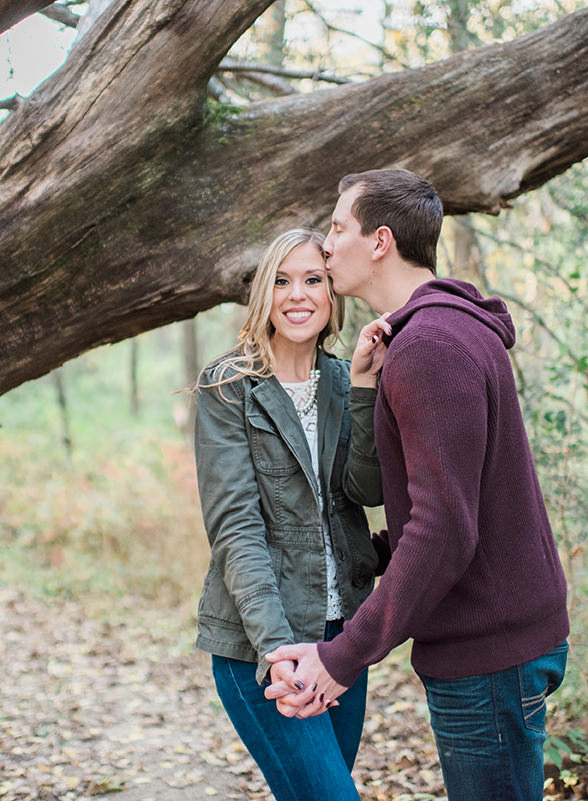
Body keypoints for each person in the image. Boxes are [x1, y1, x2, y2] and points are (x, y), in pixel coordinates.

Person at [264, 169, 570, 801]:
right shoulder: (437, 333)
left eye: (339, 228)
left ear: (380, 241)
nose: (326, 245)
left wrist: (342, 658)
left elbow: (443, 530)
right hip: (496, 641)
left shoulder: (429, 345)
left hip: (487, 653)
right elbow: (445, 505)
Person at [193, 227, 391, 801]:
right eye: (281, 280)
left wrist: (361, 387)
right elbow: (236, 530)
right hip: (261, 644)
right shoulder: (229, 386)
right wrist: (277, 650)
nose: (297, 294)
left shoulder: (341, 379)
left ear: (333, 293)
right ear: (263, 295)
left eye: (313, 279)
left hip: (340, 641)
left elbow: (366, 490)